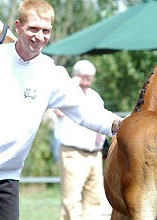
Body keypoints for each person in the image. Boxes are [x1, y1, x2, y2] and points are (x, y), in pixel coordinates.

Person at [0, 1, 122, 220]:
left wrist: (121, 124)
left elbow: (85, 111)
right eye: (33, 28)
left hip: (6, 177)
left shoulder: (51, 73)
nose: (39, 36)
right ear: (18, 26)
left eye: (45, 31)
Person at [58, 60, 107, 220]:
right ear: (76, 77)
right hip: (73, 153)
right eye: (83, 78)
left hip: (95, 154)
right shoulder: (66, 93)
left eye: (89, 78)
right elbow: (57, 111)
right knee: (70, 199)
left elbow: (103, 120)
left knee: (94, 199)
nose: (86, 82)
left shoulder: (95, 96)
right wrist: (72, 84)